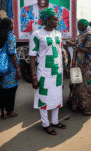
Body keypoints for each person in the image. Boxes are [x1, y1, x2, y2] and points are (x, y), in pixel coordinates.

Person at [29, 8, 66, 136]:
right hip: (43, 72)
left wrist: (63, 70)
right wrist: (33, 77)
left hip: (57, 72)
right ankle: (46, 124)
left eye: (57, 19)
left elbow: (60, 52)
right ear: (47, 20)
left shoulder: (58, 34)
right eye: (55, 19)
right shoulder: (37, 34)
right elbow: (32, 56)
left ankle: (55, 121)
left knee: (56, 97)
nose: (57, 21)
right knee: (43, 98)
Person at [66, 19, 91, 115]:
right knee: (76, 84)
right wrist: (69, 41)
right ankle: (77, 105)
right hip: (76, 64)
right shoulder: (80, 35)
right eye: (77, 24)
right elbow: (75, 41)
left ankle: (86, 108)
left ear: (85, 25)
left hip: (85, 65)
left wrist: (74, 45)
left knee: (86, 87)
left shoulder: (89, 35)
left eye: (80, 24)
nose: (78, 26)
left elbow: (89, 50)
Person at [0, 17, 21, 120]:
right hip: (10, 67)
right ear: (9, 25)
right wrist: (18, 69)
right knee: (11, 89)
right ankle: (10, 111)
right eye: (12, 23)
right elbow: (12, 53)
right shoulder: (11, 37)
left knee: (2, 89)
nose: (13, 25)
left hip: (0, 65)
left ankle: (2, 112)